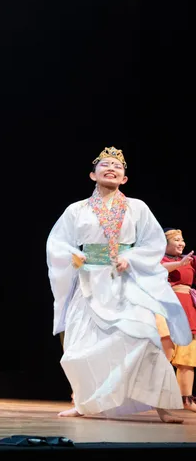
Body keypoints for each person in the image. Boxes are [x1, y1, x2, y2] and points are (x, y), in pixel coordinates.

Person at [47, 146, 191, 423]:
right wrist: (73, 254)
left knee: (145, 340)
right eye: (105, 164)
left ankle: (162, 406)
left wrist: (131, 258)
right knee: (81, 346)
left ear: (124, 178)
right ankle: (83, 402)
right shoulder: (76, 209)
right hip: (89, 282)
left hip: (125, 282)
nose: (111, 168)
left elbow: (153, 242)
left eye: (117, 166)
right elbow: (57, 242)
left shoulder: (137, 207)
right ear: (93, 174)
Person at [158, 229, 196, 411]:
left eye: (182, 240)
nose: (182, 244)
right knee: (164, 355)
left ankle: (186, 400)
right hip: (168, 307)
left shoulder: (189, 260)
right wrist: (179, 264)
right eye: (177, 240)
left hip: (188, 308)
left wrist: (184, 262)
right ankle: (156, 398)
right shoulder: (157, 260)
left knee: (188, 356)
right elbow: (157, 271)